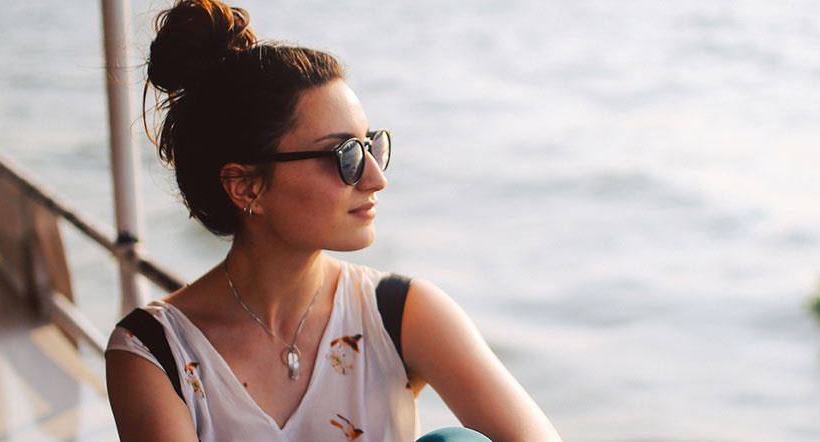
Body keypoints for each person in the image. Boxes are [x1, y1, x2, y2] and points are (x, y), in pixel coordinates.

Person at [103, 1, 561, 441]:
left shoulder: (400, 313)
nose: (376, 178)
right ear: (246, 187)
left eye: (370, 145)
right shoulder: (154, 352)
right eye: (344, 155)